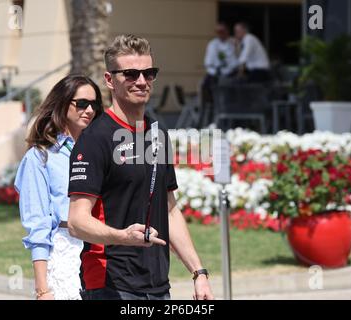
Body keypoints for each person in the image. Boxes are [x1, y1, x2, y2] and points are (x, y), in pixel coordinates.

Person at [68, 34, 214, 300]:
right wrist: (123, 237)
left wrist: (198, 272)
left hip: (157, 286)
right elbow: (77, 221)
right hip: (110, 285)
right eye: (131, 74)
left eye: (149, 73)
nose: (142, 81)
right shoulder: (94, 139)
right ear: (110, 80)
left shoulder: (158, 135)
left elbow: (169, 210)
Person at [14, 75, 104, 300]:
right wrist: (43, 289)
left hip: (104, 253)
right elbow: (38, 225)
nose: (90, 110)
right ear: (63, 103)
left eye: (94, 104)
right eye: (82, 103)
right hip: (65, 251)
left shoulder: (100, 151)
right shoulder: (40, 158)